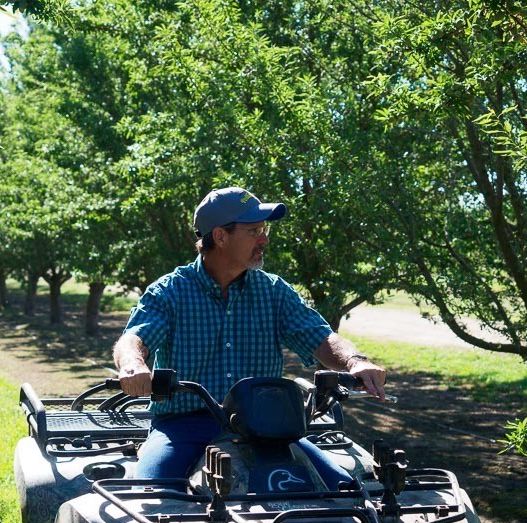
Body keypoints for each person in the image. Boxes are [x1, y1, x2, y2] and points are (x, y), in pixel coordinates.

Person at [113, 186, 387, 489]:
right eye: (254, 231)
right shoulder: (170, 291)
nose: (264, 240)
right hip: (184, 425)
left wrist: (354, 362)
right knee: (151, 494)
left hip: (269, 429)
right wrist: (133, 366)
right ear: (220, 236)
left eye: (264, 229)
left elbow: (320, 337)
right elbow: (134, 339)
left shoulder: (273, 291)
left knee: (343, 490)